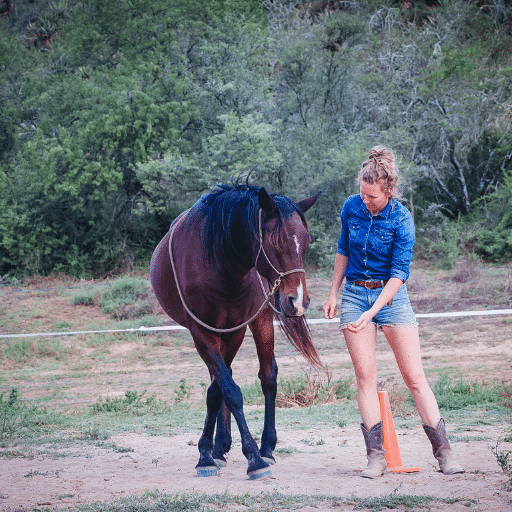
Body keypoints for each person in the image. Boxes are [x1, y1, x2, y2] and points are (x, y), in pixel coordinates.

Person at [323, 146, 463, 478]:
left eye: (372, 196)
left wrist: (372, 312)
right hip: (356, 294)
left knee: (414, 377)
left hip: (392, 297)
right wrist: (333, 293)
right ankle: (376, 457)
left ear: (389, 191)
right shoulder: (351, 207)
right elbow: (343, 249)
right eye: (362, 193)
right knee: (365, 378)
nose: (365, 200)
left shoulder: (402, 219)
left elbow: (400, 274)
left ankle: (444, 454)